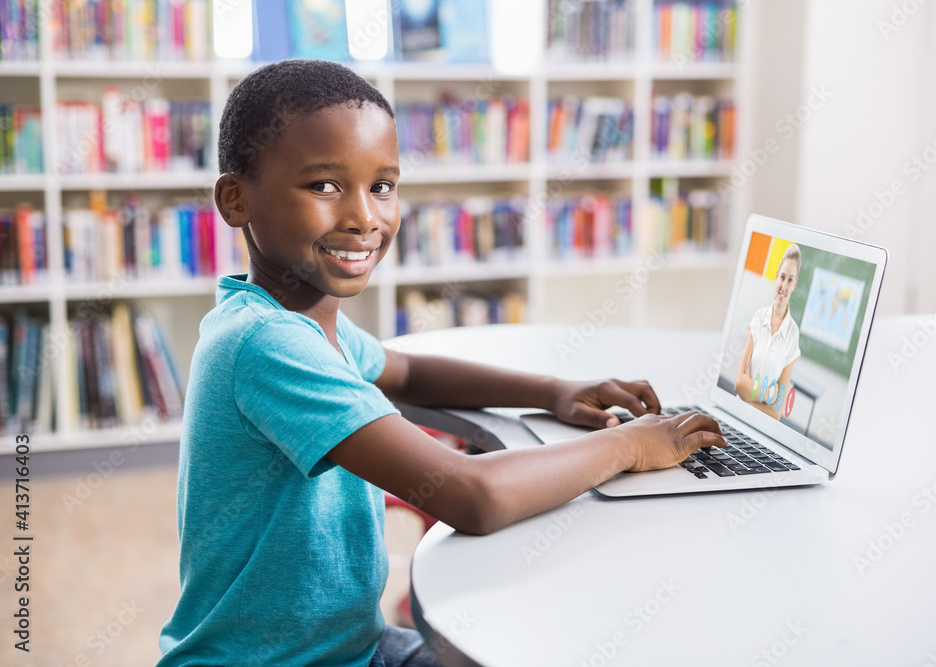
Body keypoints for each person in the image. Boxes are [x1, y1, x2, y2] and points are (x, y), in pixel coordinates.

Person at [157, 59, 727, 667]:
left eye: (381, 186)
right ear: (236, 199)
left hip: (349, 646)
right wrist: (628, 447)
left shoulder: (304, 321)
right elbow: (468, 496)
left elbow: (408, 371)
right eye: (324, 186)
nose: (364, 217)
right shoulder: (265, 344)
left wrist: (555, 389)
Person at [734, 243, 802, 420]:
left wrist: (749, 398)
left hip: (762, 425)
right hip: (737, 416)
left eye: (790, 280)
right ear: (777, 276)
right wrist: (770, 396)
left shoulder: (793, 334)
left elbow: (777, 412)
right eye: (782, 277)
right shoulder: (758, 318)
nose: (784, 286)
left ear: (795, 284)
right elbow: (739, 383)